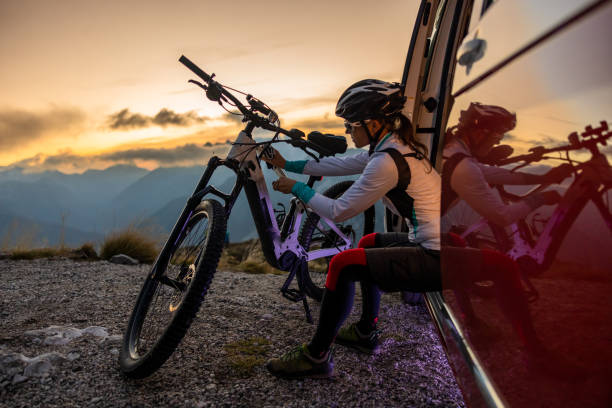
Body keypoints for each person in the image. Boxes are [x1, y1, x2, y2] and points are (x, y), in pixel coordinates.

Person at [263, 79, 442, 379]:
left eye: (350, 124)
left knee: (343, 264)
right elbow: (340, 165)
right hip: (432, 243)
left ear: (371, 123)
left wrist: (296, 188)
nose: (347, 131)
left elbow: (339, 210)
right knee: (368, 242)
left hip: (436, 257)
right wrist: (289, 165)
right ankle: (364, 331)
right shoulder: (391, 146)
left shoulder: (386, 161)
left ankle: (316, 356)